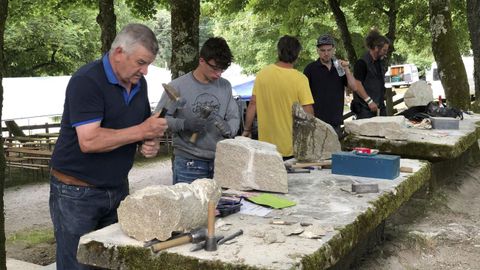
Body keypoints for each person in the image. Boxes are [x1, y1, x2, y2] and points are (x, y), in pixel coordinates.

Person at [49, 23, 168, 270]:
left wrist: (149, 141)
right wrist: (142, 131)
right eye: (141, 62)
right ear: (118, 53)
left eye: (148, 64)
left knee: (112, 263)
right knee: (78, 265)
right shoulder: (86, 81)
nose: (145, 71)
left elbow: (138, 128)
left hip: (117, 188)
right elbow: (89, 140)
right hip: (76, 193)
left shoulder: (138, 83)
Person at [157, 37, 240, 184]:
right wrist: (184, 124)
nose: (219, 74)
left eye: (222, 69)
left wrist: (230, 128)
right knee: (188, 207)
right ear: (202, 61)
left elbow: (234, 117)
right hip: (188, 163)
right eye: (215, 68)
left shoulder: (225, 86)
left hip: (220, 161)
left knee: (218, 207)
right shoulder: (177, 86)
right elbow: (159, 121)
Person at [242, 35, 314, 160]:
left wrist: (247, 129)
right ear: (297, 54)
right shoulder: (300, 79)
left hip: (265, 147)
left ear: (278, 51)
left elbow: (253, 104)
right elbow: (308, 112)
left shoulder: (262, 74)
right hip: (290, 148)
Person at [303, 34, 357, 137]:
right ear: (317, 51)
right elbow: (303, 96)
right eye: (323, 50)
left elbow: (354, 87)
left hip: (335, 122)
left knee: (335, 152)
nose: (326, 53)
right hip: (316, 122)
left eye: (329, 50)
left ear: (333, 50)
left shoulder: (339, 67)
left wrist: (346, 69)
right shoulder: (310, 69)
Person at [351, 29, 390, 119]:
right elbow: (357, 85)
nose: (386, 53)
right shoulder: (362, 63)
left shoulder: (379, 62)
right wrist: (369, 101)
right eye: (384, 50)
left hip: (380, 106)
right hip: (365, 109)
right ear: (376, 48)